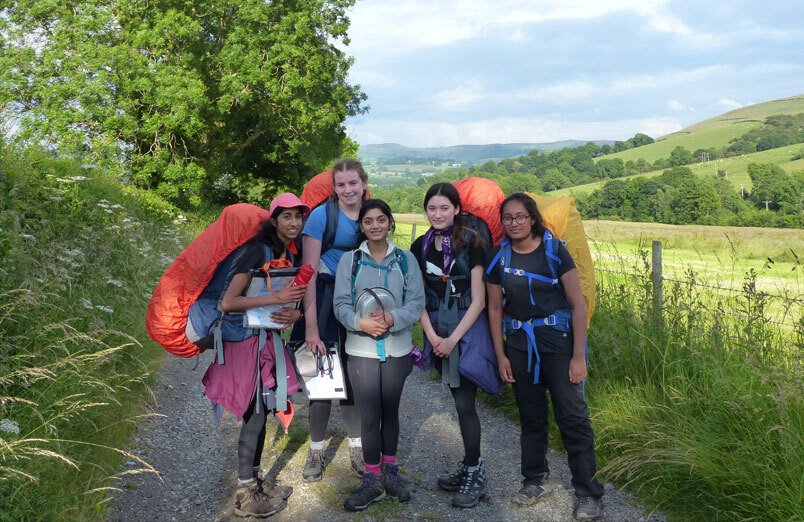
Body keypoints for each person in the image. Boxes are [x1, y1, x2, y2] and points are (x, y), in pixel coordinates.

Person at [485, 193, 603, 521]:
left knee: (573, 419)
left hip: (560, 346)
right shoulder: (499, 257)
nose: (514, 223)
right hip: (520, 347)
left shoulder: (555, 251)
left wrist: (578, 357)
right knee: (531, 417)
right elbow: (494, 309)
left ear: (533, 218)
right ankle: (534, 479)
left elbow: (577, 305)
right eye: (508, 217)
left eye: (521, 216)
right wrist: (501, 355)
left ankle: (588, 492)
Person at [202, 193, 310, 518]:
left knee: (262, 411)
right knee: (255, 414)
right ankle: (245, 494)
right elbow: (229, 302)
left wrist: (294, 314)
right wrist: (276, 297)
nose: (294, 223)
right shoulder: (256, 250)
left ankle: (256, 482)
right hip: (244, 344)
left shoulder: (281, 252)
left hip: (263, 341)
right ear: (273, 220)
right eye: (286, 216)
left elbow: (277, 301)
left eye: (298, 217)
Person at [410, 182, 501, 508]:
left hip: (465, 327)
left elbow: (478, 300)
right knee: (457, 398)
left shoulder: (472, 243)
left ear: (456, 210)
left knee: (464, 402)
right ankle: (468, 466)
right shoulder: (420, 245)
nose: (437, 214)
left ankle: (475, 471)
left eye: (443, 208)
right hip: (437, 327)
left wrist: (451, 340)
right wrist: (433, 338)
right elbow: (416, 296)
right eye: (431, 209)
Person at [332, 199, 425, 512]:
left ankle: (391, 471)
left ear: (390, 223)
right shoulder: (350, 261)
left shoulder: (406, 259)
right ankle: (371, 479)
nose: (375, 226)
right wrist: (361, 323)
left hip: (397, 348)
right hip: (361, 350)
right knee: (369, 414)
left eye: (381, 220)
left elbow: (416, 302)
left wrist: (392, 319)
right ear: (361, 226)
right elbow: (341, 304)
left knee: (391, 411)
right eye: (368, 221)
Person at [293, 159, 367, 482]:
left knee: (354, 379)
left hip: (358, 304)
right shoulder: (322, 216)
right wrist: (311, 327)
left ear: (363, 183)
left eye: (353, 183)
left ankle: (358, 446)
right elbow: (308, 276)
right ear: (334, 188)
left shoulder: (372, 214)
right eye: (341, 185)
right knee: (323, 380)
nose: (348, 190)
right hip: (323, 301)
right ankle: (316, 449)